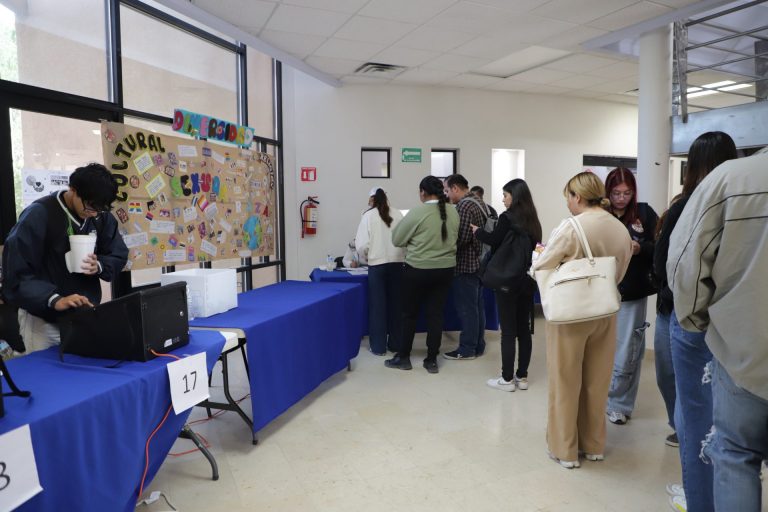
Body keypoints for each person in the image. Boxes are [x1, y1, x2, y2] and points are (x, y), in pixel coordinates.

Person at [658, 131, 737, 512]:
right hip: (736, 322)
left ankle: (699, 499)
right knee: (729, 418)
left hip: (693, 321)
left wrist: (689, 315)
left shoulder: (689, 207)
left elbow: (670, 269)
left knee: (694, 417)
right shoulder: (743, 203)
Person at [533, 172, 631, 468]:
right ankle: (594, 444)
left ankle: (564, 449)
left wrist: (539, 256)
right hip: (605, 310)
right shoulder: (619, 228)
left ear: (577, 196)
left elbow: (542, 265)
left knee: (565, 380)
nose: (568, 203)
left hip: (571, 314)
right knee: (597, 381)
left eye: (568, 197)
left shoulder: (572, 226)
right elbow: (621, 270)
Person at [2, 163, 128, 353]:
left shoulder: (99, 215)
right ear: (73, 189)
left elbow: (118, 253)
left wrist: (99, 266)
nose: (93, 213)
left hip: (85, 316)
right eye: (90, 206)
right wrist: (54, 299)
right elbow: (16, 271)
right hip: (44, 322)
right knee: (44, 370)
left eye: (99, 209)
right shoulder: (39, 213)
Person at [472, 179, 541, 392]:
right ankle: (522, 376)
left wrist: (477, 231)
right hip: (526, 281)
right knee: (524, 330)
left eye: (505, 195)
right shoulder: (533, 221)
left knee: (508, 331)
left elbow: (494, 240)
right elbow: (536, 248)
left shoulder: (507, 217)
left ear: (515, 196)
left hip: (507, 280)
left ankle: (507, 379)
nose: (503, 200)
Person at [386, 176, 458, 374]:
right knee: (436, 315)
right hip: (445, 270)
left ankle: (403, 357)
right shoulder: (453, 211)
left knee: (409, 314)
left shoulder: (417, 212)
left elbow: (397, 239)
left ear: (423, 192)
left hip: (418, 269)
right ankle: (431, 360)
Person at [604, 168, 659, 426]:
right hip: (601, 291)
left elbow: (660, 247)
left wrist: (641, 248)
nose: (621, 199)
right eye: (616, 193)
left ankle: (620, 404)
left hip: (632, 292)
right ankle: (599, 397)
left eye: (626, 193)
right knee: (601, 350)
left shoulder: (644, 214)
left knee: (628, 351)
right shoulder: (600, 214)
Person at [443, 174, 489, 360]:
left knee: (467, 310)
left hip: (466, 264)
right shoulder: (479, 202)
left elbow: (461, 238)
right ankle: (478, 345)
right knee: (477, 307)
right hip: (480, 263)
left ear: (455, 188)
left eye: (447, 190)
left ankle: (467, 349)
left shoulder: (464, 206)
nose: (446, 195)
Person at [355, 187, 405, 355]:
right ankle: (396, 345)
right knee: (397, 306)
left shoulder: (368, 216)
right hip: (397, 263)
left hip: (377, 265)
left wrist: (367, 257)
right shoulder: (398, 214)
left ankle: (378, 347)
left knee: (378, 308)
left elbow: (362, 245)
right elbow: (405, 239)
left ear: (372, 200)